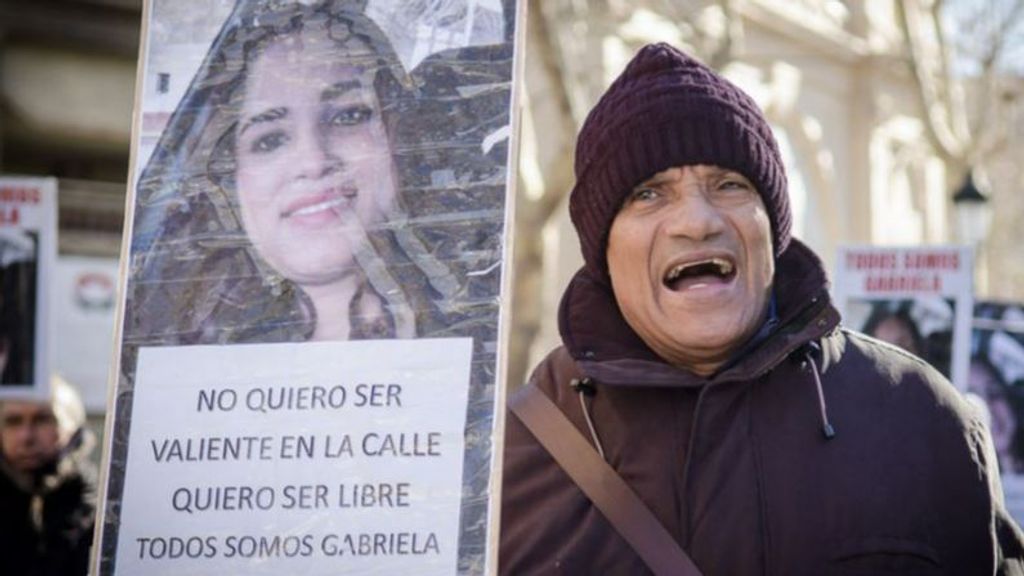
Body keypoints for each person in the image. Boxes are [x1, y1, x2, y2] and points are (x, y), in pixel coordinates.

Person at [500, 43, 1024, 575]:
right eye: (648, 194)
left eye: (729, 185)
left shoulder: (921, 417)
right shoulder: (507, 460)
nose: (697, 221)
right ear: (603, 251)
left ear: (772, 227)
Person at [128, 1, 455, 346]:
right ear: (227, 182)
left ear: (396, 135)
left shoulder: (486, 355)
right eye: (269, 140)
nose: (313, 161)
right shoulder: (183, 369)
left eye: (347, 117)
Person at [0, 379, 96, 576]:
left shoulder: (102, 505)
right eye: (13, 421)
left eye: (42, 419)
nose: (26, 437)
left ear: (72, 427)